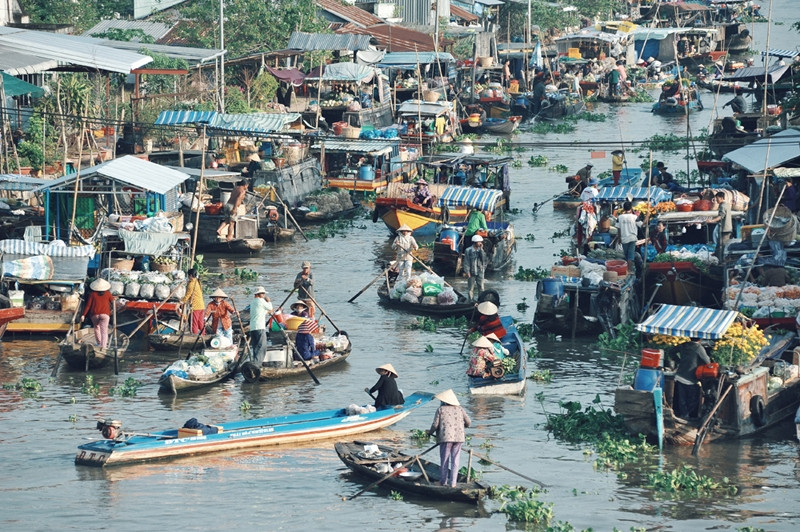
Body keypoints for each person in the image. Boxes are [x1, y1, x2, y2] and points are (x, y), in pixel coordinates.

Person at [426, 389, 471, 488]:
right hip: (459, 438)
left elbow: (435, 425)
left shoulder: (441, 409)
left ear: (445, 401)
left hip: (446, 438)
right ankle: (453, 483)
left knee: (445, 460)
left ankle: (443, 482)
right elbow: (468, 422)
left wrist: (429, 432)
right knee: (455, 460)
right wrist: (461, 427)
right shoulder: (460, 409)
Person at [668, 340, 710, 419]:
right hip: (691, 377)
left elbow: (671, 352)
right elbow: (708, 362)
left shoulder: (683, 345)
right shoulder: (699, 348)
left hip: (680, 375)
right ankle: (687, 416)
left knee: (682, 399)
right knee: (692, 399)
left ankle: (684, 415)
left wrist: (679, 361)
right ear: (700, 339)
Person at [81, 278, 115, 349]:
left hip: (95, 314)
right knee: (104, 331)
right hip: (105, 315)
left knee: (96, 328)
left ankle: (99, 343)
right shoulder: (108, 293)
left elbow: (88, 305)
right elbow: (113, 301)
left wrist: (83, 315)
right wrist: (112, 309)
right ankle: (103, 346)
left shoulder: (92, 294)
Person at [249, 286, 273, 365]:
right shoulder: (261, 301)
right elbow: (270, 308)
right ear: (258, 294)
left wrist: (267, 312)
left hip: (253, 327)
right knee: (262, 346)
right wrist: (269, 301)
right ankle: (256, 365)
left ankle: (255, 362)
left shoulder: (253, 302)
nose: (264, 295)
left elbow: (260, 313)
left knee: (256, 347)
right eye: (262, 293)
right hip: (260, 327)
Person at [707, 191, 732, 263]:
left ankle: (722, 261)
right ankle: (718, 257)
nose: (716, 200)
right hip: (726, 228)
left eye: (717, 198)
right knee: (719, 244)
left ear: (721, 198)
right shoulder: (727, 205)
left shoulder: (723, 206)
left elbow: (721, 216)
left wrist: (711, 221)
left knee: (723, 246)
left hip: (725, 229)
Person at [617, 201, 643, 270]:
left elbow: (618, 229)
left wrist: (619, 238)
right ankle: (629, 270)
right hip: (632, 238)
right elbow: (641, 225)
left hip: (624, 238)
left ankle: (628, 270)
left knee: (626, 255)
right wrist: (647, 217)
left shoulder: (619, 217)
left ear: (623, 208)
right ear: (631, 208)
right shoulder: (634, 217)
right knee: (630, 256)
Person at [463, 235, 488, 301]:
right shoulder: (468, 250)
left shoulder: (481, 250)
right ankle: (471, 301)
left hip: (480, 271)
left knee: (481, 288)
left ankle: (481, 301)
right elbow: (466, 262)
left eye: (481, 242)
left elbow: (484, 259)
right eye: (479, 242)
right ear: (475, 242)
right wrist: (467, 271)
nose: (480, 243)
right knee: (470, 288)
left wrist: (482, 250)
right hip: (471, 271)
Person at [181, 268, 205, 334]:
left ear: (191, 276)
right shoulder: (197, 281)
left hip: (195, 306)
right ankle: (203, 335)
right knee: (200, 322)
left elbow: (188, 295)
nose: (188, 277)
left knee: (194, 323)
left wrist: (181, 301)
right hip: (201, 305)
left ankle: (194, 336)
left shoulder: (191, 284)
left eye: (188, 276)